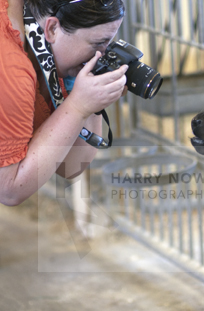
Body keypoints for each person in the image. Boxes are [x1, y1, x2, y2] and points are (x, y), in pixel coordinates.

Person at [0, 0, 128, 206]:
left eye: (109, 44)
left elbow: (71, 166)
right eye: (97, 45)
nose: (101, 56)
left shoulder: (48, 54)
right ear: (52, 28)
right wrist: (77, 107)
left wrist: (92, 99)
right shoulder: (10, 67)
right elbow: (9, 190)